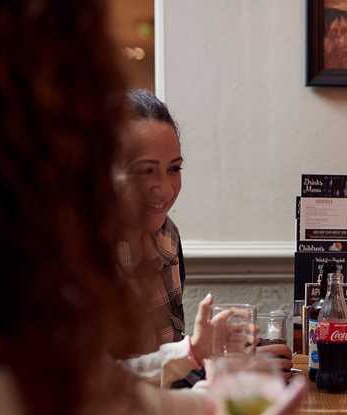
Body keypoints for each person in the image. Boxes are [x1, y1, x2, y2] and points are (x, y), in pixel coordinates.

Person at [0, 1, 347, 415]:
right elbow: (109, 402)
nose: (161, 188)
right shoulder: (50, 260)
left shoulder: (121, 246)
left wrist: (196, 363)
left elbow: (105, 392)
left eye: (173, 168)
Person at [115, 89, 292, 389]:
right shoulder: (81, 251)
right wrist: (221, 373)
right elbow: (110, 386)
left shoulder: (167, 235)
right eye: (146, 171)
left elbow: (162, 362)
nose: (165, 189)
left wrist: (224, 358)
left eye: (174, 169)